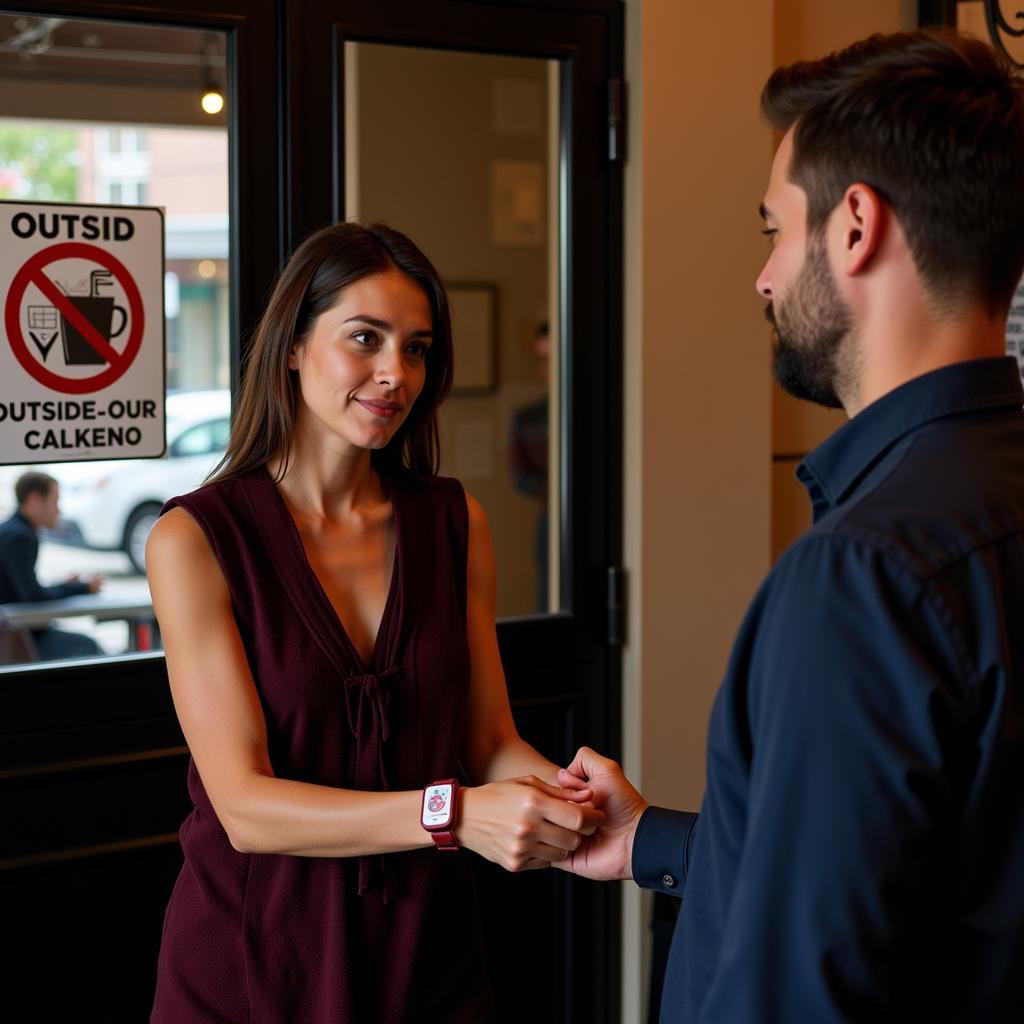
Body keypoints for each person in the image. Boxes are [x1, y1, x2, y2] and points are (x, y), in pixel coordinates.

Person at [557, 28, 1024, 1022]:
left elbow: (796, 991)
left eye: (774, 229)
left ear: (854, 226)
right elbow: (957, 878)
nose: (763, 278)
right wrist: (654, 841)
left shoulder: (866, 572)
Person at [147, 222, 602, 1023]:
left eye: (418, 349)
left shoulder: (455, 521)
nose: (396, 374)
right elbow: (245, 809)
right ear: (292, 345)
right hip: (255, 955)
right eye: (366, 339)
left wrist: (569, 799)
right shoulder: (194, 540)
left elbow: (489, 739)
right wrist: (453, 813)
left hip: (425, 949)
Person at [0, 470, 103, 660]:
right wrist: (82, 587)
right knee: (87, 647)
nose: (59, 510)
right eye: (55, 501)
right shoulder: (19, 537)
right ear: (34, 499)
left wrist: (66, 585)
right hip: (15, 636)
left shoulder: (11, 530)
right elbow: (31, 596)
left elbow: (24, 590)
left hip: (14, 631)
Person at [508, 320, 551, 610]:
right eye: (542, 360)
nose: (547, 368)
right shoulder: (529, 418)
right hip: (550, 525)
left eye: (553, 358)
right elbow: (521, 479)